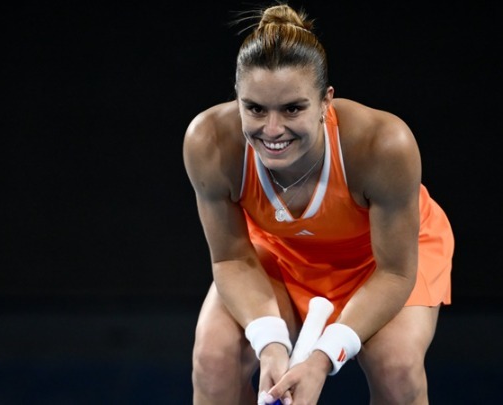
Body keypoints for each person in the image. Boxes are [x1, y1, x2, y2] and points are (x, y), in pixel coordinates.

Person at [182, 3, 454, 404]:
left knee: (396, 369)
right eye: (255, 108)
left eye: (292, 108)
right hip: (282, 254)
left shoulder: (384, 144)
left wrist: (324, 357)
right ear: (237, 99)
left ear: (326, 101)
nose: (272, 130)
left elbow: (396, 272)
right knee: (213, 358)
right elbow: (231, 259)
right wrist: (270, 343)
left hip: (381, 262)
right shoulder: (209, 142)